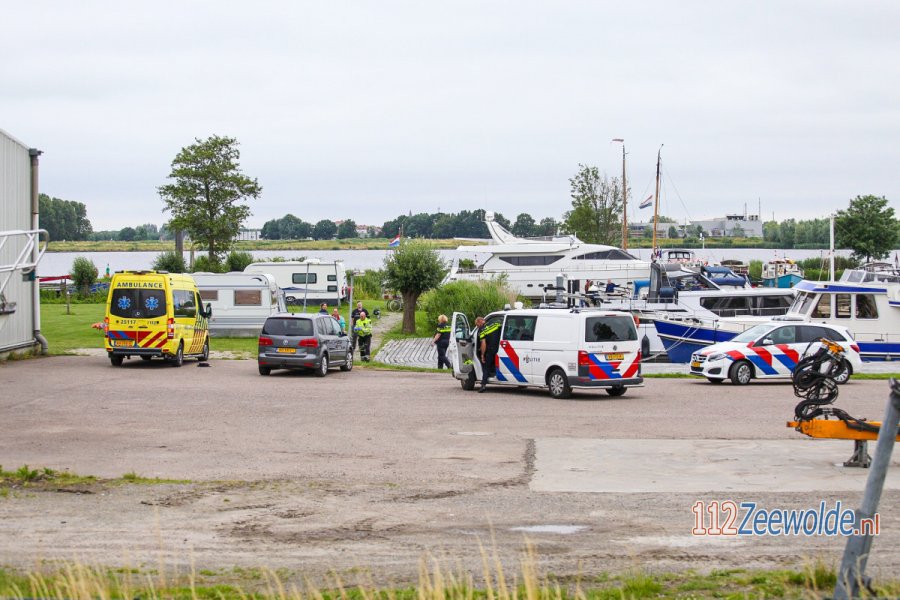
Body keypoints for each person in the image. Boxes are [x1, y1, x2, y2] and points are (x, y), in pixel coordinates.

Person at [477, 317, 501, 393]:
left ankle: (483, 385)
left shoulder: (482, 330)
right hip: (499, 348)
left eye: (477, 325)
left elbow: (483, 344)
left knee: (486, 367)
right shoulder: (495, 323)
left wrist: (482, 355)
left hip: (490, 350)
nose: (477, 326)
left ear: (480, 322)